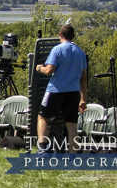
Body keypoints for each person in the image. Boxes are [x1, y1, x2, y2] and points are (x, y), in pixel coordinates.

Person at [35, 24, 88, 153]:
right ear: (74, 36)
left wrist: (39, 68)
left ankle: (43, 149)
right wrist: (83, 100)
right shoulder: (80, 52)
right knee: (71, 124)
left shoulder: (57, 50)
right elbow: (84, 78)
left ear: (60, 34)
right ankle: (72, 155)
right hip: (73, 92)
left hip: (55, 90)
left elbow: (49, 70)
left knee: (42, 117)